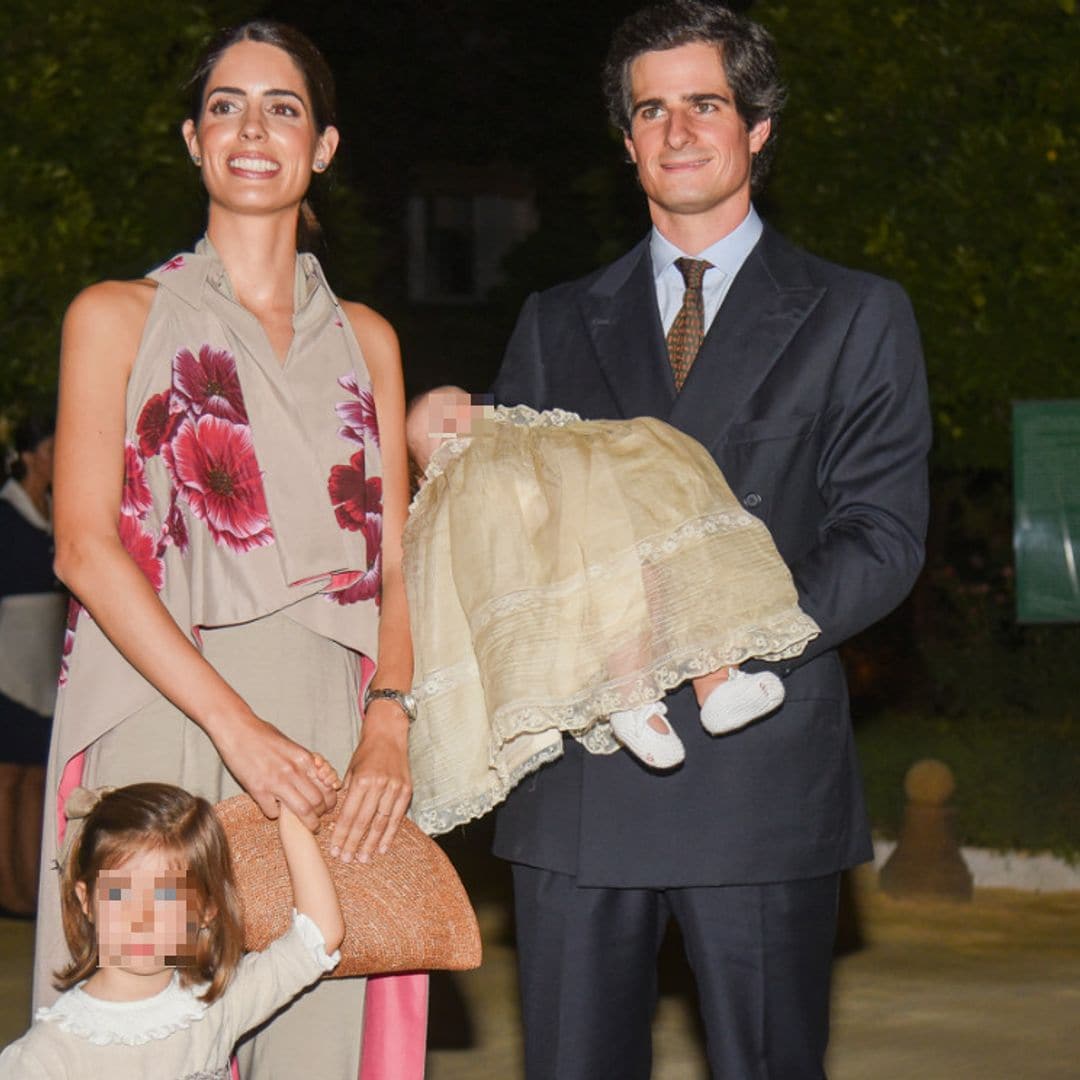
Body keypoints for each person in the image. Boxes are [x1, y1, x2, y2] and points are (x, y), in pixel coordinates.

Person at [490, 3, 932, 1076]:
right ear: (627, 139)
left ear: (759, 125)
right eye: (652, 109)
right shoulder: (555, 322)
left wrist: (716, 635)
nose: (678, 129)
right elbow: (504, 535)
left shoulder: (854, 314)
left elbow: (880, 538)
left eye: (706, 103)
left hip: (759, 769)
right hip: (584, 778)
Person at [34, 21, 414, 1077]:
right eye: (226, 106)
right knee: (142, 1035)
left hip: (326, 710)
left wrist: (391, 721)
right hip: (159, 693)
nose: (253, 128)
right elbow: (81, 548)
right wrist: (236, 729)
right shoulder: (115, 315)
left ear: (323, 146)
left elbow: (396, 564)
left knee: (317, 1029)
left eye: (283, 107)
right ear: (194, 142)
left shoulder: (369, 340)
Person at [403, 386, 818, 831]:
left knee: (666, 564)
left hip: (593, 501)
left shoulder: (543, 440)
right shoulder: (475, 485)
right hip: (557, 529)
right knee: (622, 590)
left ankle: (713, 681)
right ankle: (632, 696)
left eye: (472, 407)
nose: (471, 416)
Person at [1, 779, 343, 1078]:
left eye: (166, 897)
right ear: (86, 901)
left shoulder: (214, 1004)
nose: (142, 917)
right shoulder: (50, 1054)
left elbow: (317, 937)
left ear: (207, 910)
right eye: (122, 894)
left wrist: (293, 819)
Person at [0, 417, 66, 915]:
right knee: (8, 779)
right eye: (50, 448)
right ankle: (8, 891)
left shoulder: (54, 508)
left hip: (45, 661)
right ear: (29, 456)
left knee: (36, 779)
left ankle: (29, 888)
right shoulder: (6, 513)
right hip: (9, 665)